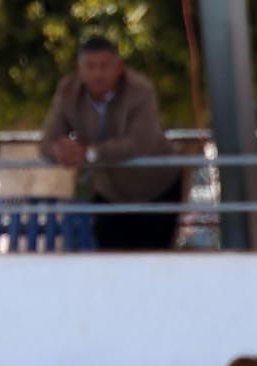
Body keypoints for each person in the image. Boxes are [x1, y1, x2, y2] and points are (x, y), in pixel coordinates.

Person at [38, 36, 180, 250]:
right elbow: (47, 141)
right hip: (109, 192)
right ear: (80, 69)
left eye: (104, 66)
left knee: (153, 261)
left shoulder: (141, 90)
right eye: (90, 66)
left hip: (156, 188)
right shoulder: (68, 91)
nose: (97, 73)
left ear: (119, 68)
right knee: (110, 260)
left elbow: (139, 143)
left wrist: (90, 154)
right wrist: (61, 151)